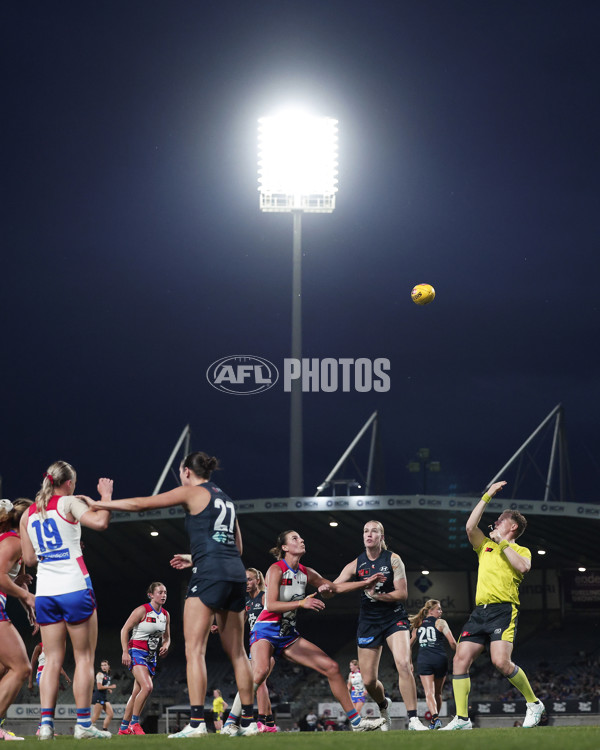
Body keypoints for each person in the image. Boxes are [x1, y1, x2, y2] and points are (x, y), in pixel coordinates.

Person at [83, 451, 257, 738]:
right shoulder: (226, 498)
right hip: (235, 574)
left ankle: (197, 724)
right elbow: (236, 548)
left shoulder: (191, 492)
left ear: (187, 471)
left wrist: (101, 501)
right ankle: (249, 724)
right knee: (238, 652)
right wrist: (196, 556)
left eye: (180, 471)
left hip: (210, 575)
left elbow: (142, 505)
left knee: (195, 650)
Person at [240, 530, 387, 734]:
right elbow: (271, 604)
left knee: (332, 668)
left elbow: (333, 588)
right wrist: (302, 602)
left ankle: (357, 723)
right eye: (295, 538)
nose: (301, 540)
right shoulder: (275, 569)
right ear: (284, 548)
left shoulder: (306, 572)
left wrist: (365, 583)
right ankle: (232, 722)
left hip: (287, 634)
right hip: (265, 629)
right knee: (260, 672)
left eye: (301, 537)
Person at [19, 461, 113, 740]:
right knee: (84, 658)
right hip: (74, 587)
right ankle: (83, 725)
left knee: (52, 660)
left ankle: (46, 726)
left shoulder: (28, 515)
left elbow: (29, 560)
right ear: (69, 482)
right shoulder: (70, 502)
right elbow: (100, 522)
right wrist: (105, 498)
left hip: (46, 593)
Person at [441, 481, 545, 730]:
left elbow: (523, 567)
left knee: (500, 662)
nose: (495, 523)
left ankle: (534, 703)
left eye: (499, 520)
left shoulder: (520, 549)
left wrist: (503, 542)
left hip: (503, 610)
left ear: (512, 526)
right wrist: (487, 495)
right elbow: (469, 526)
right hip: (480, 612)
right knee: (459, 660)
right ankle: (462, 719)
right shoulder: (484, 546)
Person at [333, 520, 428, 731]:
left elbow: (402, 594)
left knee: (404, 663)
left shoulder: (393, 560)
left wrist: (378, 595)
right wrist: (322, 587)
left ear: (381, 537)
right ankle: (384, 705)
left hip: (394, 617)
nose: (369, 534)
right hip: (369, 622)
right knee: (368, 682)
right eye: (365, 531)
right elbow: (336, 586)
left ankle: (413, 720)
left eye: (374, 531)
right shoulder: (356, 564)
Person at [221, 567, 277, 734]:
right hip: (255, 645)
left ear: (257, 581)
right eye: (244, 580)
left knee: (257, 682)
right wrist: (221, 627)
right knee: (260, 683)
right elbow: (239, 622)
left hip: (267, 643)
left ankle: (260, 721)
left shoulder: (264, 598)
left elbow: (277, 615)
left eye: (250, 579)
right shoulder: (247, 602)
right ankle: (269, 723)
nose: (246, 583)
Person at [0, 497, 36, 741]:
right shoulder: (13, 542)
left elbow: (11, 578)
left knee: (4, 667)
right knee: (22, 668)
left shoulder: (17, 544)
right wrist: (26, 595)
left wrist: (27, 605)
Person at [118, 582, 170, 735]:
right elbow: (124, 630)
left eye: (165, 592)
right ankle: (135, 724)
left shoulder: (166, 615)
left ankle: (123, 728)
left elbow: (167, 637)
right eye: (160, 592)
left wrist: (166, 645)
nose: (163, 595)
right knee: (147, 687)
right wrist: (125, 652)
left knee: (137, 693)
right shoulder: (142, 610)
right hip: (136, 652)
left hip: (151, 657)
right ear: (151, 595)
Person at [409, 599, 456, 729]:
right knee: (438, 693)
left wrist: (409, 662)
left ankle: (435, 719)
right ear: (431, 611)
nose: (441, 611)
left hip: (424, 660)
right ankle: (435, 720)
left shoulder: (418, 624)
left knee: (429, 692)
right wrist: (460, 653)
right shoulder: (441, 622)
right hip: (440, 659)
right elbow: (452, 643)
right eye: (439, 609)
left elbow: (409, 645)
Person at [91, 660, 117, 732]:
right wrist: (110, 687)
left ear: (108, 666)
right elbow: (99, 687)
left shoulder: (107, 676)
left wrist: (108, 689)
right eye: (102, 665)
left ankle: (104, 730)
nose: (103, 667)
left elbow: (104, 685)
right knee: (96, 716)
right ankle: (86, 728)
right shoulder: (100, 674)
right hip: (98, 696)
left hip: (103, 697)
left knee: (110, 714)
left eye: (105, 665)